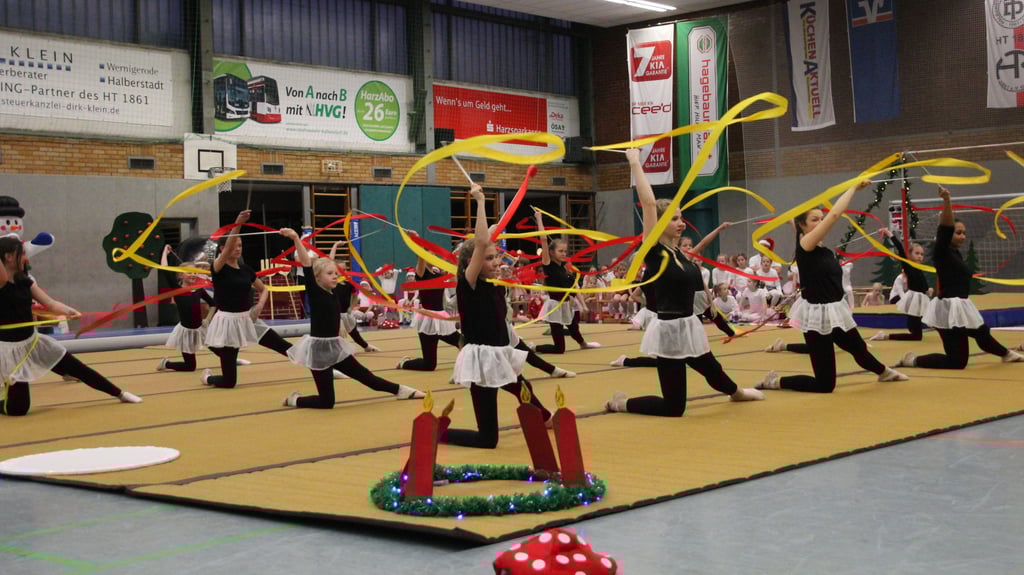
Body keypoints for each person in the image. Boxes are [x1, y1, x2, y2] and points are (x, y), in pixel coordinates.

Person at [605, 149, 763, 414]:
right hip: (668, 331)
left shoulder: (680, 253)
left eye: (681, 217)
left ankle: (736, 393)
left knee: (712, 369)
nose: (681, 223)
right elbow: (649, 203)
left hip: (689, 325)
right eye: (675, 218)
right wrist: (634, 161)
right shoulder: (655, 250)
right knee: (673, 407)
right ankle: (620, 404)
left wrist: (710, 305)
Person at [756, 181, 909, 393]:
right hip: (817, 314)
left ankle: (884, 372)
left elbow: (797, 222)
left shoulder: (820, 248)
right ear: (803, 226)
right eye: (815, 220)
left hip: (835, 310)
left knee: (857, 348)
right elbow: (834, 216)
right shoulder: (805, 246)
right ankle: (775, 382)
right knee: (825, 384)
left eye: (821, 218)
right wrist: (853, 189)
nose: (821, 222)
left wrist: (789, 219)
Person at [443, 185, 551, 449]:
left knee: (522, 389)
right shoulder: (468, 284)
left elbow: (486, 238)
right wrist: (480, 202)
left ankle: (545, 417)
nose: (496, 262)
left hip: (500, 354)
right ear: (473, 264)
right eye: (490, 259)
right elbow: (481, 242)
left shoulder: (494, 284)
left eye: (497, 257)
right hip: (480, 359)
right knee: (488, 439)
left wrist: (492, 231)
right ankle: (438, 432)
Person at [278, 228, 423, 408]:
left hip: (335, 347)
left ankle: (401, 390)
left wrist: (334, 253)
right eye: (330, 274)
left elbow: (328, 265)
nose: (335, 276)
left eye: (336, 274)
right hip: (318, 351)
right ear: (317, 278)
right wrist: (295, 239)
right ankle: (295, 400)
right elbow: (307, 265)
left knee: (367, 377)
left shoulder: (334, 291)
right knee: (326, 402)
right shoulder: (315, 292)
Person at [0, 237, 140, 415]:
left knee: (77, 368)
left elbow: (50, 303)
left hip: (33, 343)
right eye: (23, 254)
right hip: (10, 351)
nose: (26, 258)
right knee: (18, 409)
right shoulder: (2, 282)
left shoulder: (26, 281)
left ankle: (119, 393)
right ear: (9, 257)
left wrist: (67, 310)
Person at [894, 186, 1022, 369]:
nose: (962, 236)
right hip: (948, 309)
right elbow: (945, 227)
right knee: (957, 361)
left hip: (960, 305)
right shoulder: (942, 250)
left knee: (982, 333)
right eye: (958, 232)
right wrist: (947, 200)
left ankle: (1006, 354)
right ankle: (912, 360)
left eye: (964, 233)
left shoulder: (955, 254)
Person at [201, 210, 295, 388]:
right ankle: (208, 378)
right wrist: (238, 223)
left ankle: (320, 368)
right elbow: (229, 246)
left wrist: (259, 305)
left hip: (249, 319)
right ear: (222, 249)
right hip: (228, 322)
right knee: (229, 382)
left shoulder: (246, 270)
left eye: (240, 245)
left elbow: (264, 288)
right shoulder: (218, 268)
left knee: (283, 346)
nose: (238, 248)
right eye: (234, 245)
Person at [532, 209, 600, 353]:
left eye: (565, 251)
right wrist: (539, 218)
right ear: (551, 252)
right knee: (559, 348)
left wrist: (582, 305)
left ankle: (583, 343)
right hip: (555, 306)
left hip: (567, 304)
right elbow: (543, 239)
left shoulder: (565, 269)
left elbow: (574, 289)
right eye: (560, 251)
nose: (564, 254)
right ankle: (533, 347)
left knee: (574, 328)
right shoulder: (548, 264)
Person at [396, 230, 463, 371]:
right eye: (428, 255)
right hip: (427, 320)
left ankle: (466, 366)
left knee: (462, 342)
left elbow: (453, 269)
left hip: (441, 318)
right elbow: (421, 256)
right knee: (429, 365)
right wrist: (417, 239)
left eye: (432, 254)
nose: (431, 257)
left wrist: (461, 250)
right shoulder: (421, 272)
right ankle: (404, 364)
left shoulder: (440, 273)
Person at [157, 244, 215, 372]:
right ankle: (166, 364)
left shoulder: (199, 290)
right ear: (180, 276)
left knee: (220, 349)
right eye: (189, 272)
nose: (193, 275)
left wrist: (207, 319)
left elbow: (214, 303)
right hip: (186, 332)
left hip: (201, 328)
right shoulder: (177, 290)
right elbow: (163, 268)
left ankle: (232, 361)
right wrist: (165, 252)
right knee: (190, 367)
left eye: (195, 272)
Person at [870, 229, 930, 341]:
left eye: (922, 254)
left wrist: (928, 289)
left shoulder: (920, 269)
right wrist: (888, 234)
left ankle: (886, 335)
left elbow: (923, 285)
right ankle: (884, 336)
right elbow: (900, 248)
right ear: (910, 255)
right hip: (914, 301)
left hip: (919, 300)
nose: (920, 256)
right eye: (917, 253)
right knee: (916, 336)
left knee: (916, 334)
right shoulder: (908, 265)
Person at [327, 240, 381, 353]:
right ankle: (334, 351)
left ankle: (366, 346)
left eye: (345, 269)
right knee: (336, 333)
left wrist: (352, 306)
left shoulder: (349, 283)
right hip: (334, 314)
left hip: (346, 313)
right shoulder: (332, 283)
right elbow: (329, 262)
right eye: (340, 269)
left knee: (353, 331)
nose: (344, 271)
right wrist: (335, 245)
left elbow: (354, 296)